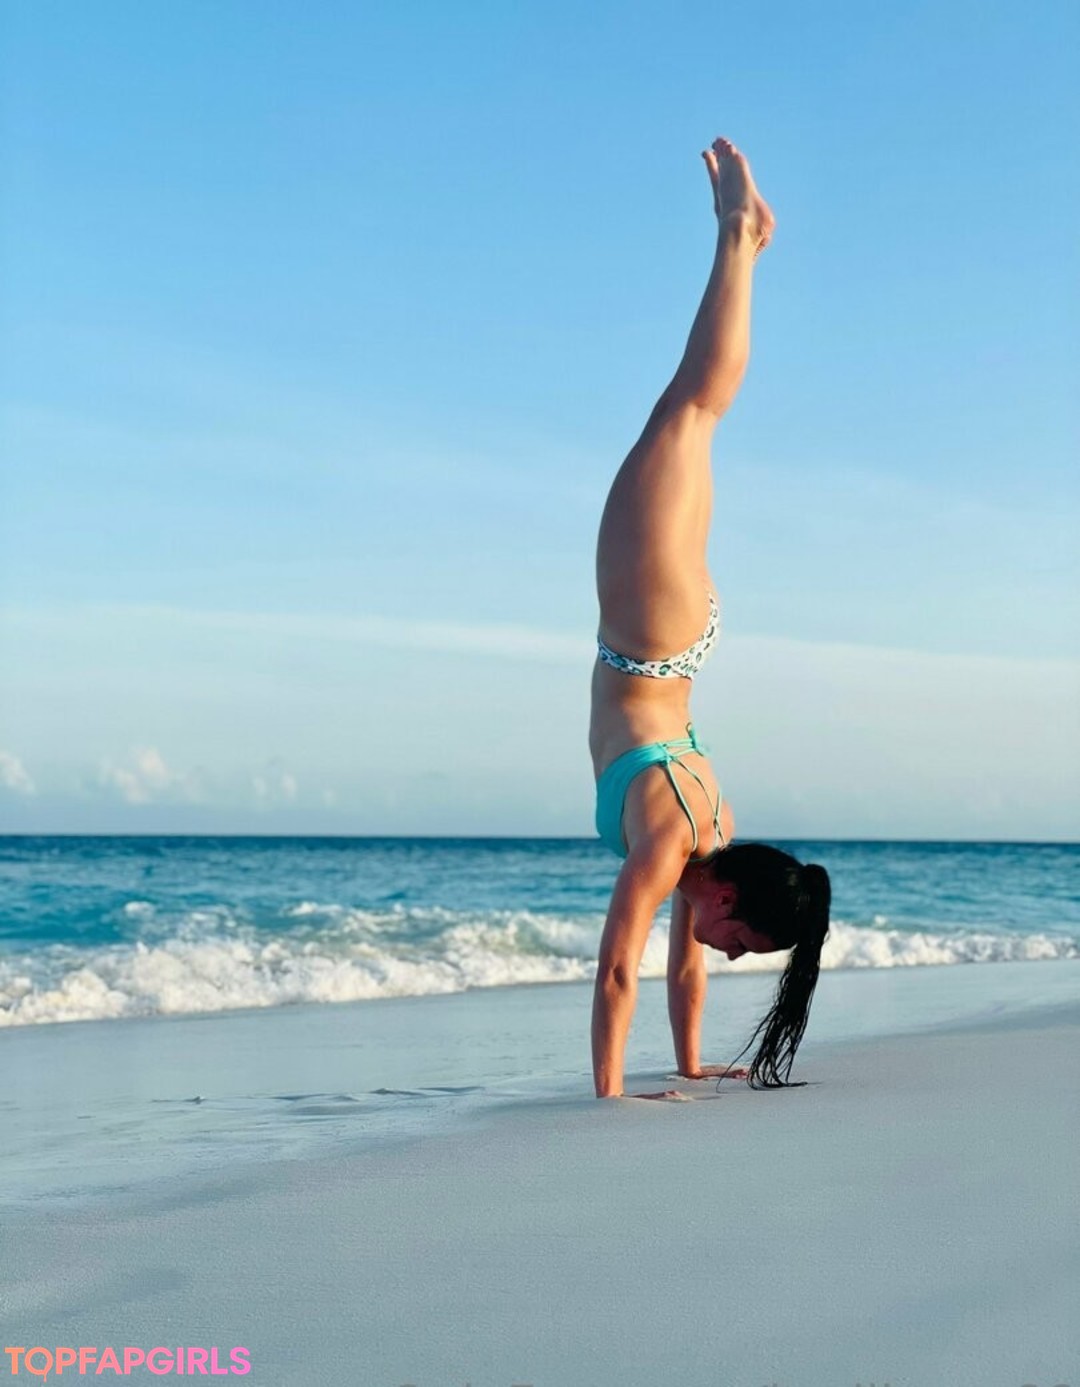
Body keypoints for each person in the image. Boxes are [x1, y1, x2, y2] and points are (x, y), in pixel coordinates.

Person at [589, 137, 831, 1100]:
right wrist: (609, 1100)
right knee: (691, 410)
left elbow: (674, 966)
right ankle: (739, 234)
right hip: (647, 636)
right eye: (743, 940)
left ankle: (745, 242)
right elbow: (617, 968)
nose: (727, 953)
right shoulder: (671, 842)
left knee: (692, 416)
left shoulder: (712, 835)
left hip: (678, 643)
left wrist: (690, 1066)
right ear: (727, 894)